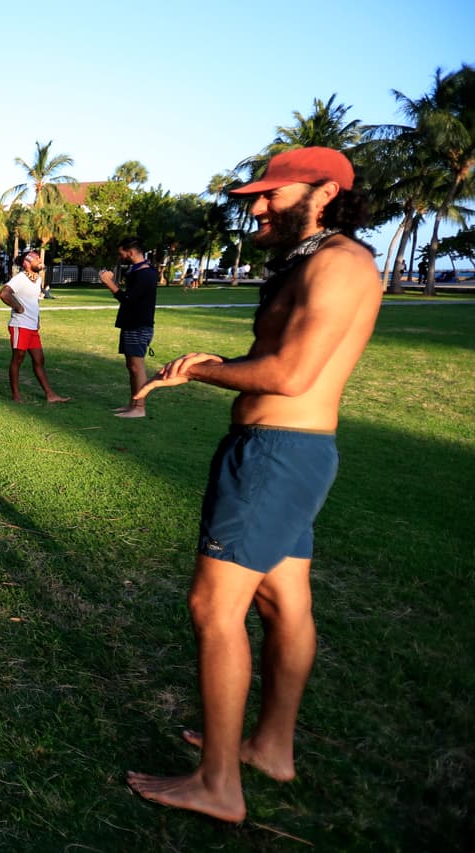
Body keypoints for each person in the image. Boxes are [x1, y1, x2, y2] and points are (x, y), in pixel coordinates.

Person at [125, 146, 381, 822]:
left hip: (274, 456)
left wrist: (205, 370)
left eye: (272, 195)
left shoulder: (339, 264)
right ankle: (269, 747)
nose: (257, 207)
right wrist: (216, 365)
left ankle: (216, 784)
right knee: (282, 599)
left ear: (324, 192)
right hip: (286, 452)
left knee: (215, 608)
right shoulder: (316, 260)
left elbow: (291, 374)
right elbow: (282, 359)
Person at [0, 247, 70, 404]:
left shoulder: (37, 279)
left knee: (39, 360)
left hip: (31, 326)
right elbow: (4, 293)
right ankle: (16, 396)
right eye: (37, 259)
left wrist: (37, 319)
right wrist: (18, 307)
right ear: (27, 263)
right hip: (20, 325)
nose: (40, 261)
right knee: (18, 358)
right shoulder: (20, 278)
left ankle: (50, 395)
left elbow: (34, 301)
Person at [98, 236, 158, 418]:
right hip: (131, 324)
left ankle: (140, 407)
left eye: (122, 253)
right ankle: (133, 404)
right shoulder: (136, 271)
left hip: (139, 326)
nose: (121, 256)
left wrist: (109, 283)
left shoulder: (145, 273)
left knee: (137, 366)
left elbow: (128, 300)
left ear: (130, 252)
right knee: (131, 366)